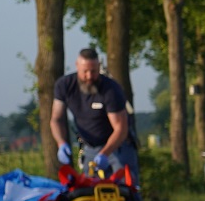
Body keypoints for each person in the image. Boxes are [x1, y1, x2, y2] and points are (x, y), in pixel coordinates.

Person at [51, 47, 139, 180]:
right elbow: (56, 119)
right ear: (77, 66)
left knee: (127, 190)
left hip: (119, 146)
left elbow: (121, 128)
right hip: (90, 147)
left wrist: (104, 154)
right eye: (85, 71)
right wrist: (61, 143)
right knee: (89, 189)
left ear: (99, 67)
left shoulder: (111, 89)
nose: (89, 76)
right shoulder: (64, 86)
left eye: (93, 71)